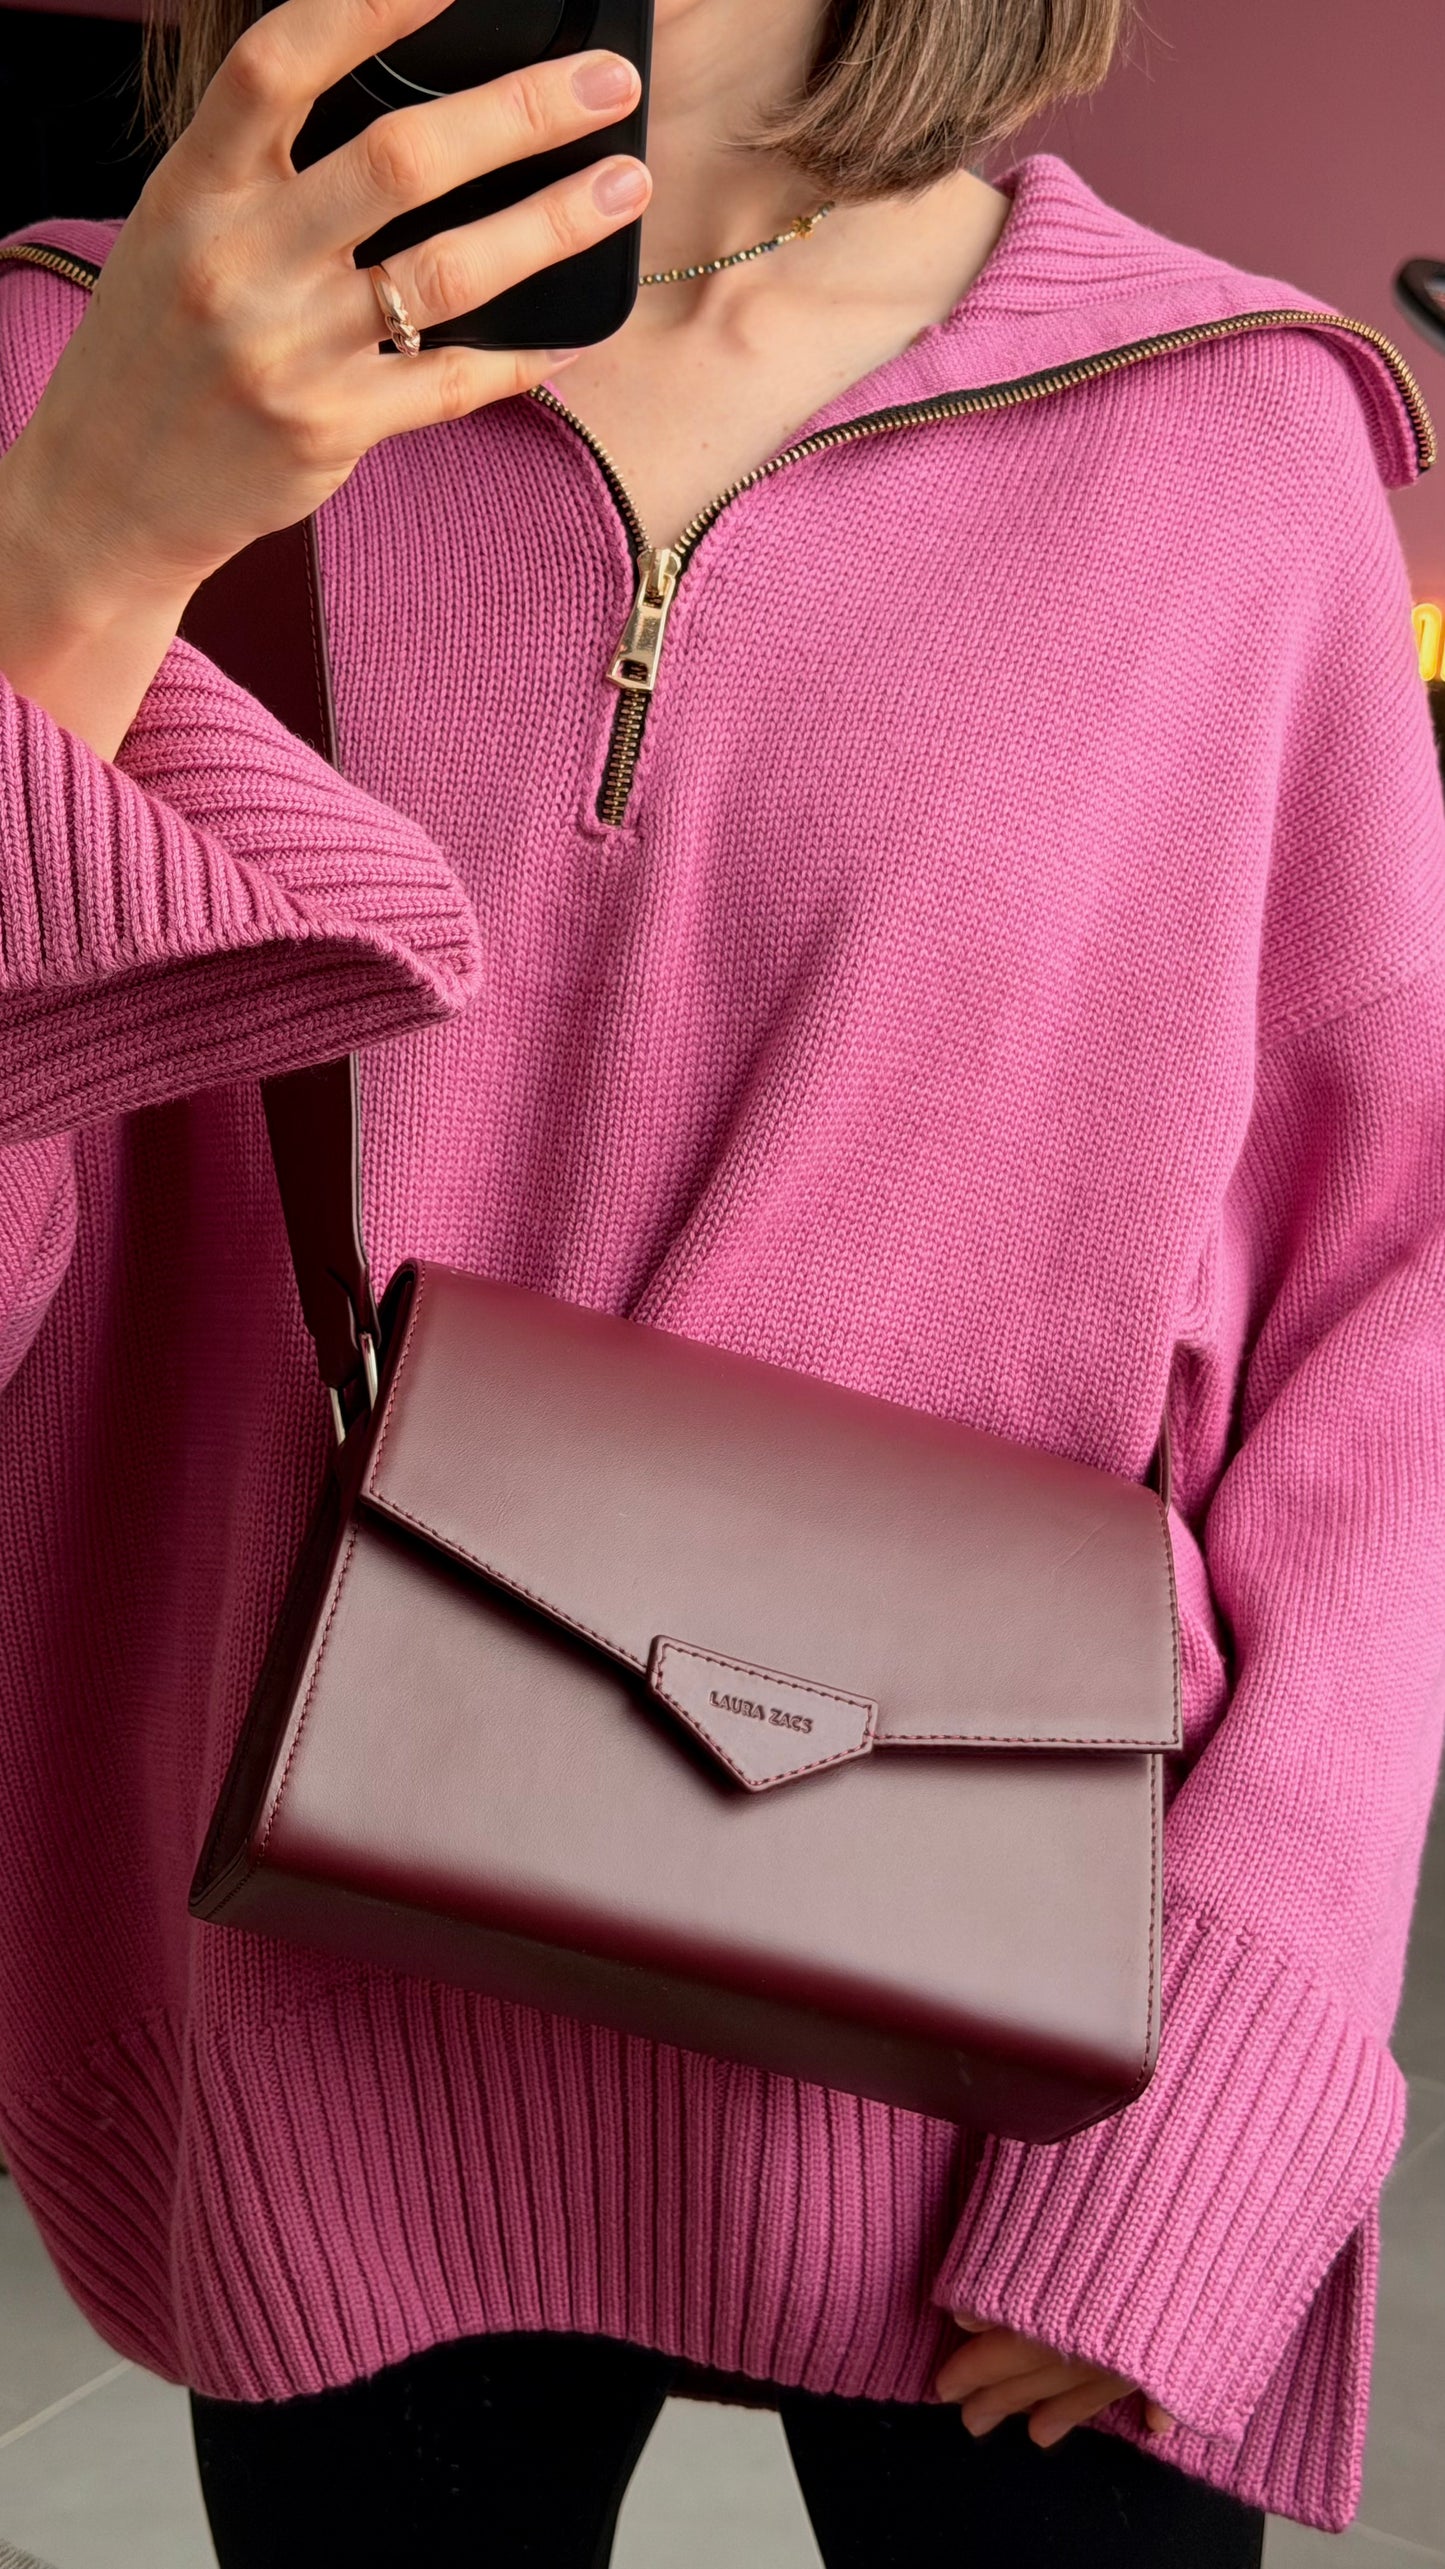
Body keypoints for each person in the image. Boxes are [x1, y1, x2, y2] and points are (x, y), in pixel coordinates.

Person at [0, 0, 1441, 2560]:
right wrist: (80, 563)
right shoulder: (74, 376)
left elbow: (1393, 1327)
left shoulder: (1234, 437)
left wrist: (1243, 2062)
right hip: (324, 2043)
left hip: (1031, 2083)